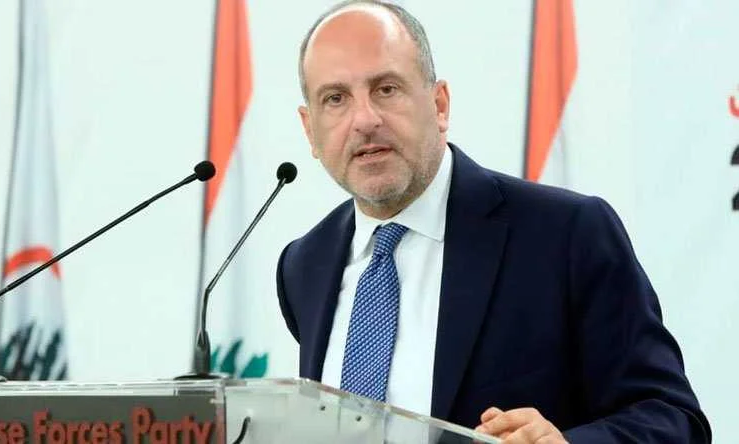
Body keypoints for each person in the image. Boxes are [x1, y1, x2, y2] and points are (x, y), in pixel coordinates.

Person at [275, 1, 711, 442]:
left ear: (439, 104)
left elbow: (672, 420)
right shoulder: (304, 265)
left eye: (386, 89)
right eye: (335, 99)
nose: (365, 120)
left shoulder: (567, 235)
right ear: (310, 129)